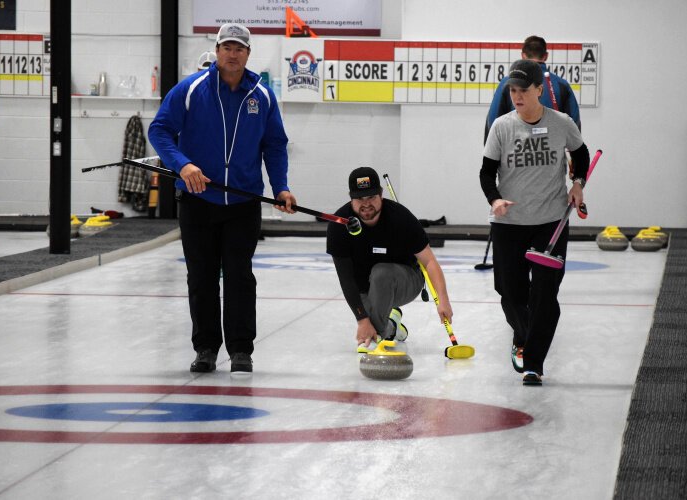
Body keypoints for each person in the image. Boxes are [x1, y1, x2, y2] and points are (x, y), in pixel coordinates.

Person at [148, 23, 296, 375]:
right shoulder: (191, 89)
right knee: (201, 277)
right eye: (227, 47)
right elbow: (160, 130)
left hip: (243, 204)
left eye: (239, 48)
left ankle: (241, 350)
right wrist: (182, 165)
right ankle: (206, 349)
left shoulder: (262, 95)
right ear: (216, 51)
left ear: (248, 54)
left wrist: (281, 188)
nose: (233, 53)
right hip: (198, 201)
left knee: (239, 276)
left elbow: (275, 144)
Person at [480, 59, 590, 386]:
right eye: (513, 90)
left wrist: (578, 183)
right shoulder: (502, 126)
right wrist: (495, 199)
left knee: (544, 294)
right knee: (509, 292)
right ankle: (525, 334)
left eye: (523, 90)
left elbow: (580, 154)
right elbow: (487, 172)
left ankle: (534, 362)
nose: (517, 96)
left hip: (551, 222)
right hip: (509, 223)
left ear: (539, 90)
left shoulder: (562, 123)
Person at [326, 167, 453, 353]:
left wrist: (443, 300)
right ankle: (391, 326)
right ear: (350, 197)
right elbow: (346, 278)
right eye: (360, 198)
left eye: (371, 197)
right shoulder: (339, 225)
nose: (366, 204)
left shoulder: (401, 218)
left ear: (381, 194)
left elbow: (429, 262)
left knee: (381, 273)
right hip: (364, 288)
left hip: (406, 281)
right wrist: (362, 319)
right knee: (370, 315)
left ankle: (376, 337)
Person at [485, 35, 581, 142]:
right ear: (545, 56)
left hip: (516, 151)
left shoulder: (507, 83)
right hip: (552, 153)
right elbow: (574, 125)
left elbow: (493, 122)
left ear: (523, 56)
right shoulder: (561, 85)